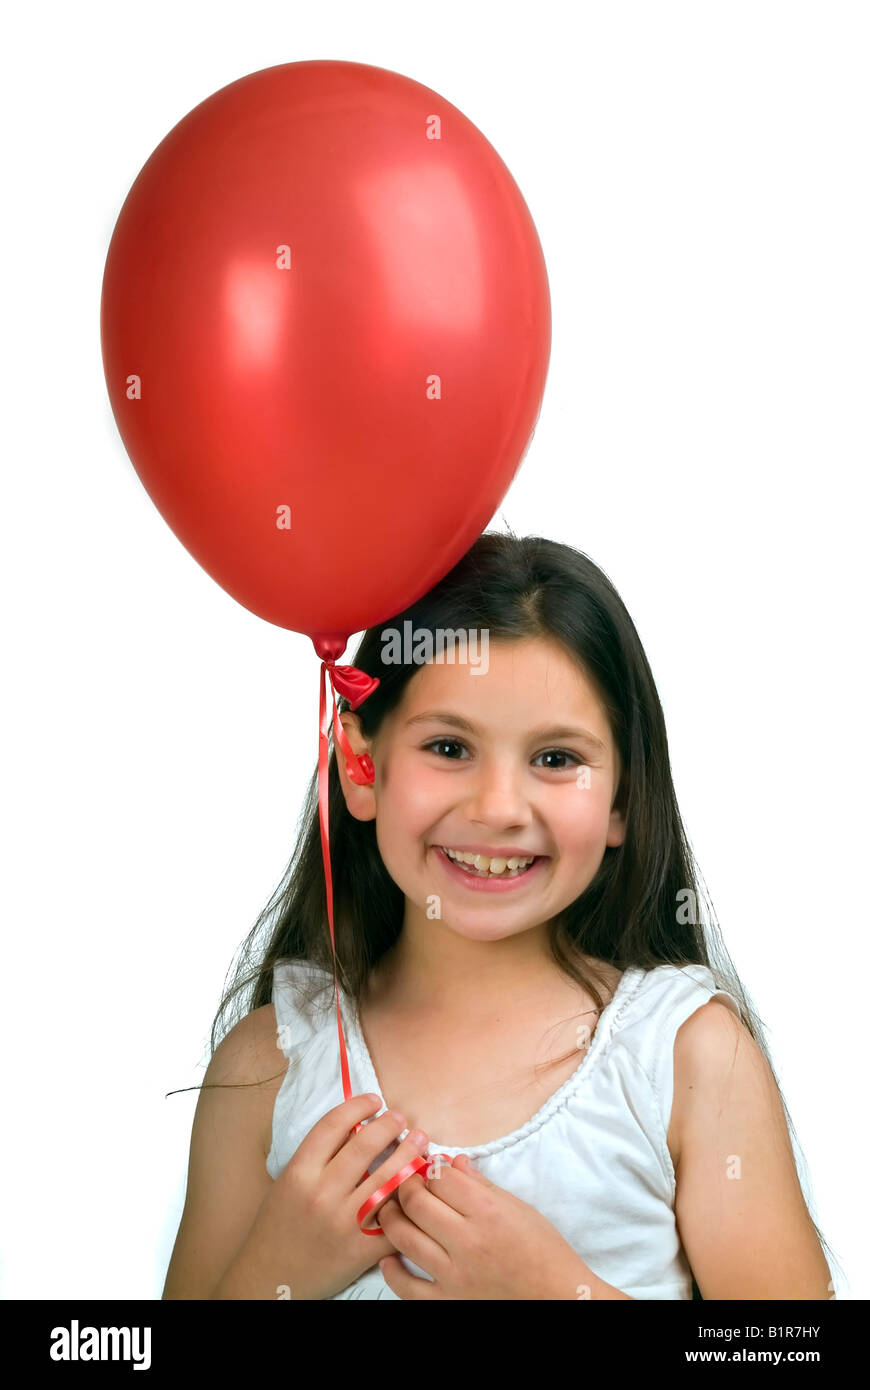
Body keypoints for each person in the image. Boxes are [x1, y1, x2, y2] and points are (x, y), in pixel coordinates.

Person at [162, 530, 840, 1300]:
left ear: (620, 798)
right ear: (360, 767)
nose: (498, 809)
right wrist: (270, 1275)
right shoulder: (268, 1066)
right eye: (450, 747)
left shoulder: (687, 1061)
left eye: (556, 759)